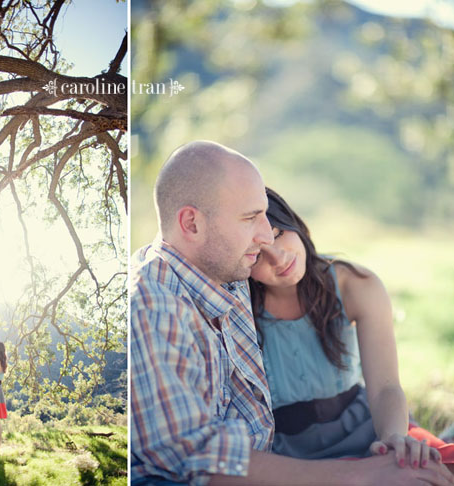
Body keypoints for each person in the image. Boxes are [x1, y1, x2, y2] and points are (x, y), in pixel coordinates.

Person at [130, 140, 454, 485]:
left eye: (272, 225)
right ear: (192, 225)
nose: (265, 240)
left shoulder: (224, 268)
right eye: (250, 219)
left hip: (336, 441)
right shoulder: (161, 304)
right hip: (286, 457)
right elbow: (194, 458)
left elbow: (386, 386)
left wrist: (388, 447)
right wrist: (362, 475)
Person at [248, 187, 454, 467]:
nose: (279, 257)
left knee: (435, 466)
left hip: (368, 429)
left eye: (278, 234)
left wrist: (393, 438)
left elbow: (386, 388)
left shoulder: (355, 284)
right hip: (289, 453)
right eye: (258, 255)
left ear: (292, 223)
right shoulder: (237, 307)